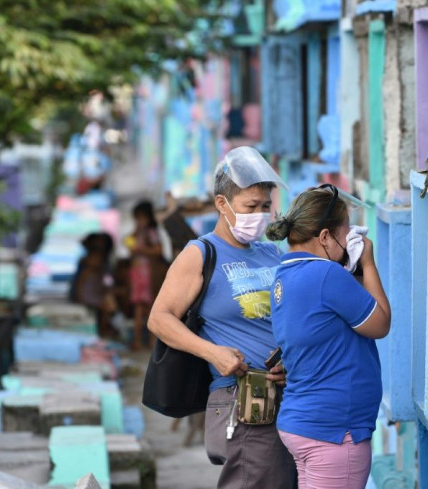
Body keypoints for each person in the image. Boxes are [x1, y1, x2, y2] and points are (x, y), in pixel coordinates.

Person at [147, 146, 296, 489]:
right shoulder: (201, 253)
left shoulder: (271, 253)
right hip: (243, 401)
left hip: (289, 398)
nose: (259, 216)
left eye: (264, 207)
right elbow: (159, 318)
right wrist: (212, 352)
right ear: (221, 205)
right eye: (249, 207)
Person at [265, 184, 391, 489]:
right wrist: (368, 263)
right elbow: (380, 324)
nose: (349, 242)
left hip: (304, 422)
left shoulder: (284, 276)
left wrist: (350, 271)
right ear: (324, 236)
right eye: (345, 232)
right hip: (333, 431)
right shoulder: (326, 275)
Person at [126, 200, 164, 350]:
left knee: (148, 306)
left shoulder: (151, 233)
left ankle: (151, 341)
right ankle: (138, 340)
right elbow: (128, 243)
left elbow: (158, 250)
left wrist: (141, 250)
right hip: (138, 273)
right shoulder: (138, 233)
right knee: (139, 306)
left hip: (148, 273)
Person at [70, 232, 117, 338]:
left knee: (108, 304)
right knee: (108, 305)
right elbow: (80, 285)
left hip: (92, 295)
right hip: (87, 296)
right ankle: (104, 330)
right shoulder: (88, 264)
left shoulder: (100, 264)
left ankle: (104, 329)